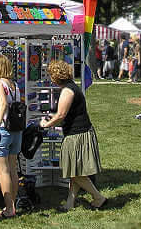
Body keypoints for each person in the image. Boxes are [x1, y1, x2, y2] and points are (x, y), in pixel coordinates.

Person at [40, 60, 107, 210]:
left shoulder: (68, 90)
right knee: (73, 170)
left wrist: (46, 124)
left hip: (78, 135)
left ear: (56, 75)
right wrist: (53, 117)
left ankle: (98, 197)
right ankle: (70, 203)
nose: (50, 78)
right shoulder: (71, 87)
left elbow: (61, 115)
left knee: (75, 172)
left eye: (51, 74)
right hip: (78, 132)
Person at [0, 54, 22, 219]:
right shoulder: (14, 85)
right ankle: (12, 204)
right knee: (13, 169)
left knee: (3, 171)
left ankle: (9, 208)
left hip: (1, 130)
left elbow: (3, 104)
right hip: (16, 130)